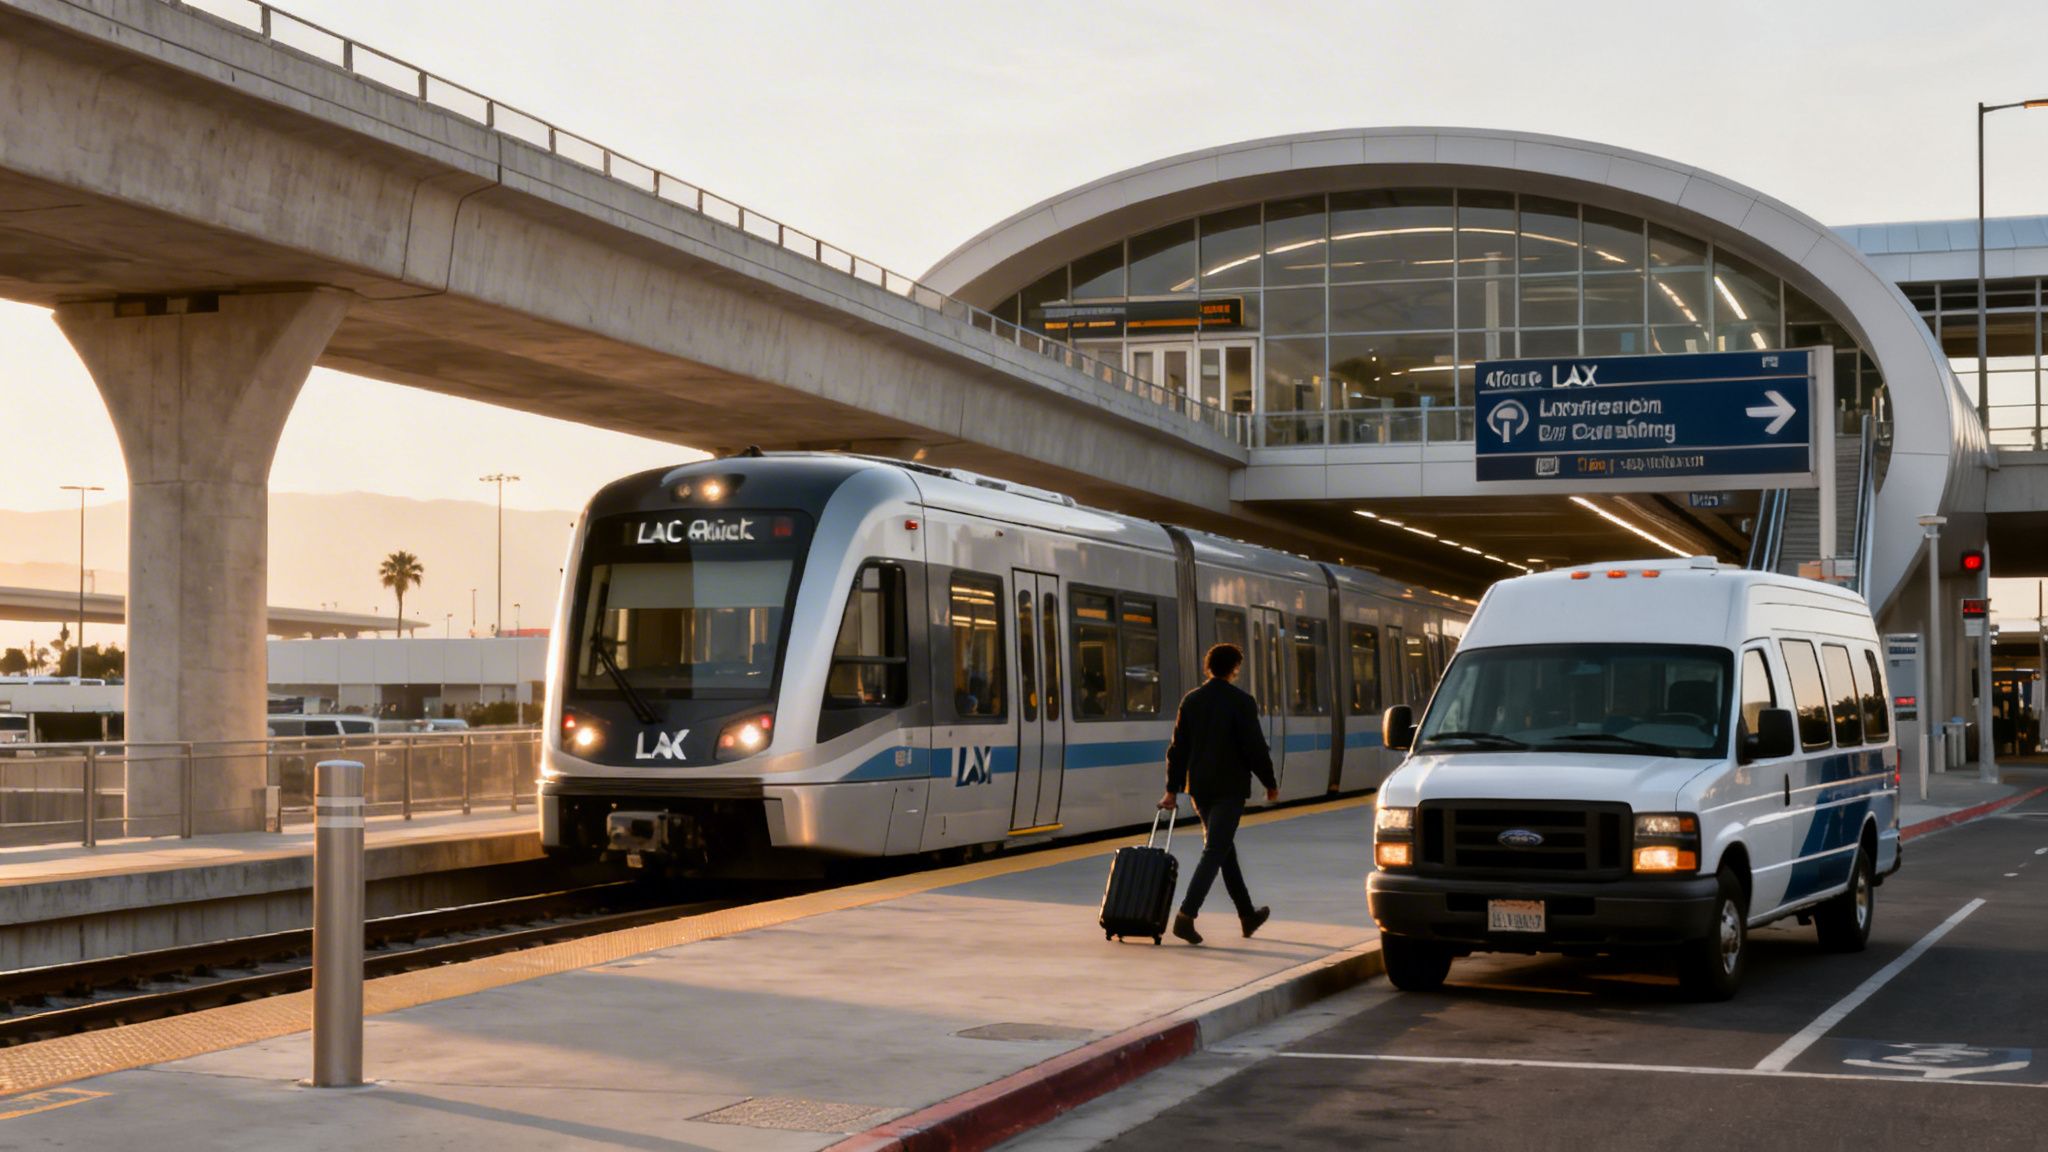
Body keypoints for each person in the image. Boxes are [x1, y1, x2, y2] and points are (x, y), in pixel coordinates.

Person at [1158, 642, 1279, 945]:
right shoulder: (1242, 702)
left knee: (1224, 850)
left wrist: (1172, 790)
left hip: (1200, 788)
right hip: (1229, 788)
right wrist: (1270, 782)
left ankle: (1247, 915)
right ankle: (1186, 916)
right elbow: (1254, 747)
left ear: (1208, 666)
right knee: (1215, 850)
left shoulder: (1192, 700)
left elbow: (1177, 750)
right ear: (1235, 667)